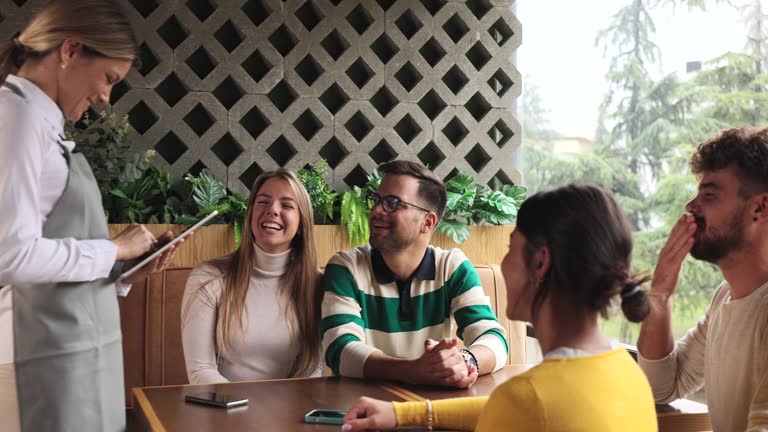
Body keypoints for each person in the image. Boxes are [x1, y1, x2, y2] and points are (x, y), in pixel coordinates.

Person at [341, 183, 657, 432]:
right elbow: (508, 407)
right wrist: (403, 413)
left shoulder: (526, 399)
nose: (504, 263)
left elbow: (520, 405)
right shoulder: (630, 374)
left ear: (540, 262)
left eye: (510, 247)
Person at [0, 1, 181, 431]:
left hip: (64, 353)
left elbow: (49, 248)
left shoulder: (40, 125)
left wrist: (124, 272)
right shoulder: (17, 117)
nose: (106, 97)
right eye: (109, 78)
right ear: (70, 51)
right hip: (29, 360)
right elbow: (9, 255)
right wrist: (114, 248)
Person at [320, 160, 508, 389]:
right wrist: (413, 370)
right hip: (363, 409)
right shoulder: (346, 268)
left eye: (392, 203)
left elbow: (494, 338)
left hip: (433, 407)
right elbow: (339, 350)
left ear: (427, 222)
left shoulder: (452, 267)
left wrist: (465, 362)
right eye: (376, 200)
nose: (376, 211)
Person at [637, 126, 768, 432]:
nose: (691, 206)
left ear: (760, 208)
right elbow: (662, 387)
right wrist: (659, 293)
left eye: (709, 195)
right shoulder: (726, 296)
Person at [182, 169, 322, 384]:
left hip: (290, 411)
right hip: (224, 409)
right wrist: (248, 411)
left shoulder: (317, 284)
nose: (272, 210)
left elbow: (312, 370)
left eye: (286, 205)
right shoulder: (208, 277)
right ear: (250, 215)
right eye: (263, 202)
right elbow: (200, 371)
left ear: (302, 224)